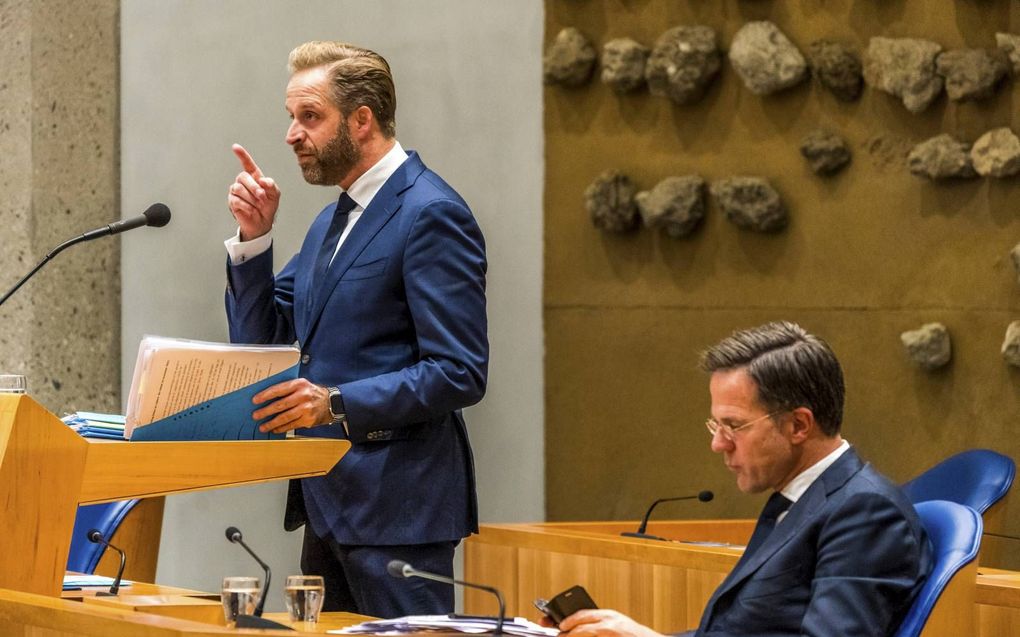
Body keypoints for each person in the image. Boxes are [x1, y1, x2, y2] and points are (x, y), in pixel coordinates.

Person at [222, 40, 488, 618]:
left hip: (400, 511)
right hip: (327, 499)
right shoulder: (334, 218)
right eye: (291, 118)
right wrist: (255, 241)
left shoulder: (430, 212)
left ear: (362, 119)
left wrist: (335, 402)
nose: (293, 133)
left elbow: (460, 372)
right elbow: (262, 340)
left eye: (309, 117)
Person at [552, 322, 932, 637]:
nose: (718, 444)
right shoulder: (798, 497)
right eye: (716, 425)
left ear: (798, 424)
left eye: (733, 426)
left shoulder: (865, 510)